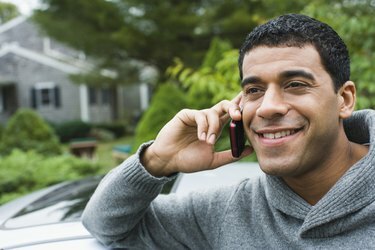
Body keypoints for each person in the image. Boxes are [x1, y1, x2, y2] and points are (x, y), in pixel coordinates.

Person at [82, 14, 374, 249]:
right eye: (254, 90)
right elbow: (105, 227)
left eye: (295, 84)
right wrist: (157, 160)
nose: (267, 107)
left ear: (344, 99)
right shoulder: (227, 212)